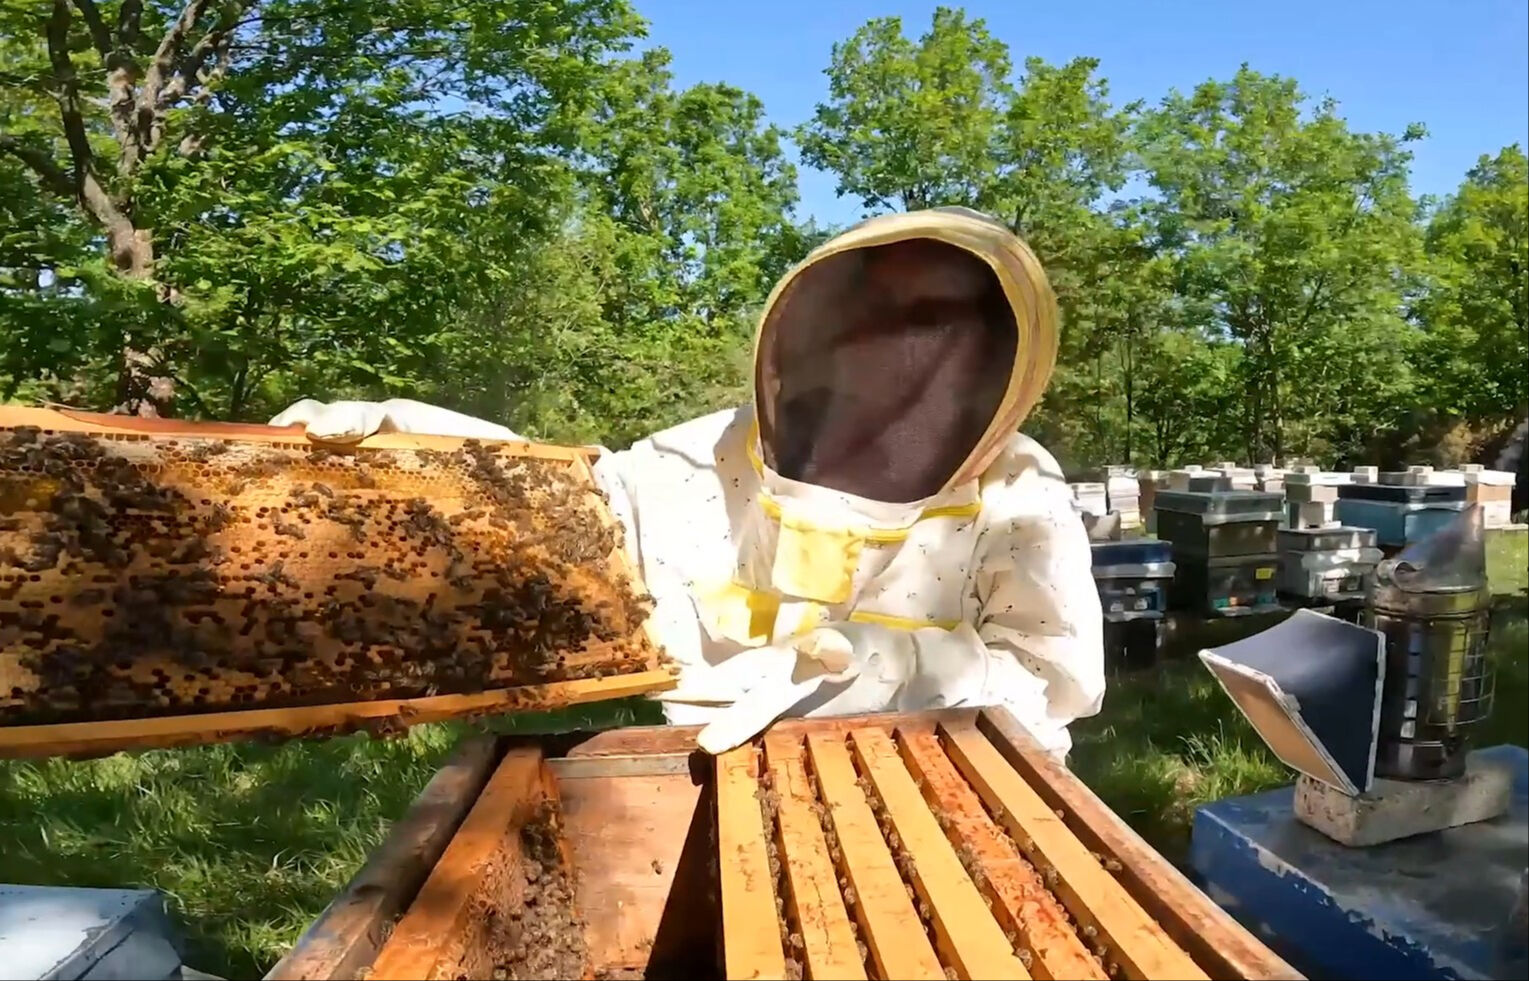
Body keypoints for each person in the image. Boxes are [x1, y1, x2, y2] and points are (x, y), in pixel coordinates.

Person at [270, 207, 1104, 759]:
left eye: (936, 322)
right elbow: (584, 521)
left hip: (960, 780)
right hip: (717, 770)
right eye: (871, 312)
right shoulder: (699, 457)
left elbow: (1052, 684)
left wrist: (900, 667)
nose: (894, 347)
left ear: (996, 358)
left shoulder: (1015, 493)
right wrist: (431, 450)